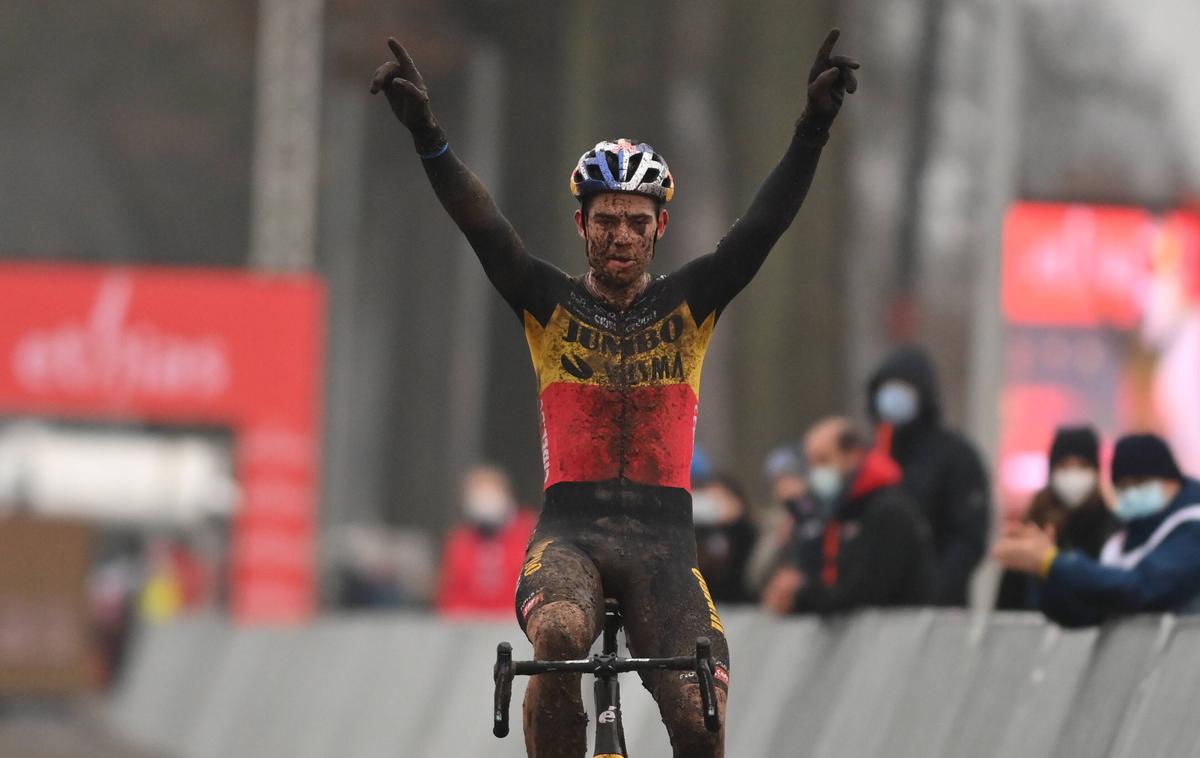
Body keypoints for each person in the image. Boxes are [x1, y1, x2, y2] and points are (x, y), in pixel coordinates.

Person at [371, 28, 859, 758]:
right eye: (606, 221)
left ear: (661, 227)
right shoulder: (546, 301)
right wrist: (429, 137)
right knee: (563, 636)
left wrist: (812, 128)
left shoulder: (692, 303)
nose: (621, 236)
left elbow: (764, 226)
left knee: (701, 718)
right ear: (581, 225)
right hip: (569, 537)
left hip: (667, 549)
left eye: (637, 221)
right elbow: (483, 224)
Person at [994, 433, 1200, 627]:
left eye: (1141, 483)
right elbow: (1089, 613)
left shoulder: (1192, 526)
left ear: (1173, 479)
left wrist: (1054, 562)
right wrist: (1044, 572)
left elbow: (1140, 587)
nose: (1132, 493)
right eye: (1123, 487)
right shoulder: (1121, 542)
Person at [762, 417, 933, 615]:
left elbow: (861, 592)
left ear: (853, 455)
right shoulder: (839, 511)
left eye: (823, 460)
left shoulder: (887, 510)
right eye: (811, 463)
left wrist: (801, 594)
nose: (816, 472)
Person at [867, 345, 991, 606]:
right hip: (877, 615)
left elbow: (968, 538)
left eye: (903, 387)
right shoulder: (874, 457)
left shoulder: (956, 456)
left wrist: (934, 592)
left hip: (938, 614)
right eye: (886, 387)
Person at [995, 426, 1119, 610]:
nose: (1073, 474)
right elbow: (1008, 600)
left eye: (1082, 466)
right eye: (1064, 466)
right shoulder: (1032, 526)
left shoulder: (1112, 529)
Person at [436, 465, 536, 617]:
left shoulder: (530, 531)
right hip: (468, 628)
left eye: (490, 493)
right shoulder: (460, 541)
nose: (484, 501)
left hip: (518, 624)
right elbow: (449, 592)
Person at [692, 474, 758, 604]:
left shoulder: (745, 530)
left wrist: (735, 521)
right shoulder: (704, 533)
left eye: (720, 499)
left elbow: (745, 573)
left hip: (742, 603)